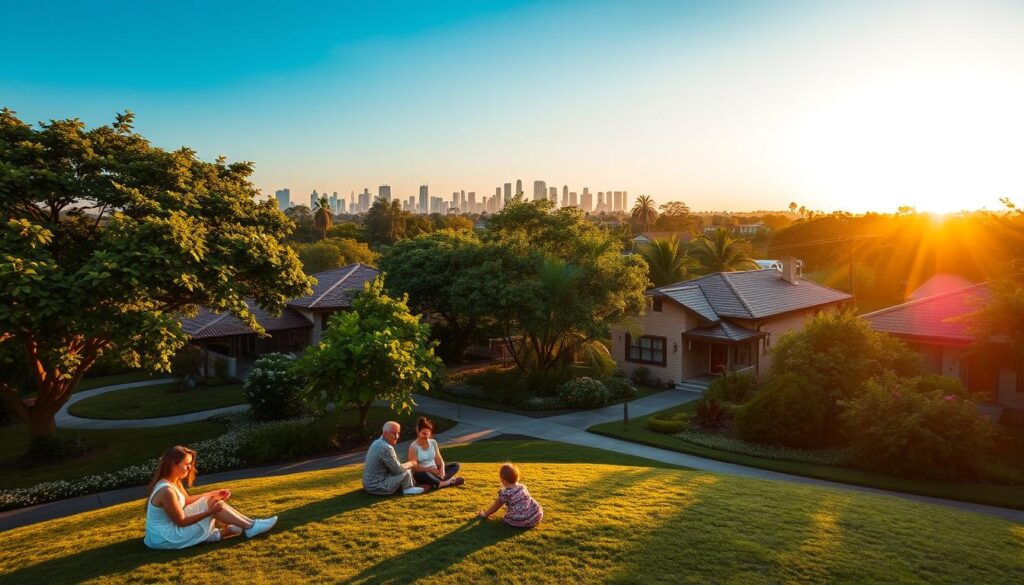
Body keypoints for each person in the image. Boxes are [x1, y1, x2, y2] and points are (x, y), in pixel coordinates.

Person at [144, 445, 277, 550]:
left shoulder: (173, 481)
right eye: (186, 464)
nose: (190, 468)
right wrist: (210, 512)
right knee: (210, 505)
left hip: (164, 533)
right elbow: (181, 521)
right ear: (173, 464)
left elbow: (187, 500)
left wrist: (214, 493)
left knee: (210, 501)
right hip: (165, 538)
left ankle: (251, 525)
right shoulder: (166, 491)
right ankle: (250, 527)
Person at [363, 421, 425, 496]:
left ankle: (410, 485)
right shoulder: (386, 447)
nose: (397, 436)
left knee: (404, 468)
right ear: (385, 433)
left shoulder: (377, 442)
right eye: (393, 433)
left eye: (398, 433)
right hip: (377, 487)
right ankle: (408, 489)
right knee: (406, 471)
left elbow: (393, 467)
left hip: (369, 485)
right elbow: (398, 470)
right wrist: (412, 463)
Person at [476, 462, 543, 528]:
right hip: (536, 515)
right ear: (517, 477)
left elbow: (495, 506)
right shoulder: (522, 487)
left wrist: (485, 514)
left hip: (522, 520)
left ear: (503, 480)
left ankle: (522, 518)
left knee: (507, 518)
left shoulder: (506, 493)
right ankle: (529, 515)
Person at [407, 417, 464, 490]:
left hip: (436, 470)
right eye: (424, 434)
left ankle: (437, 483)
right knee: (424, 475)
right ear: (418, 432)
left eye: (428, 434)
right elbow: (414, 468)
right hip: (423, 472)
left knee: (455, 465)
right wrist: (428, 469)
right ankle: (450, 481)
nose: (426, 436)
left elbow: (439, 459)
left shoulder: (433, 442)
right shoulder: (413, 447)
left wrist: (442, 469)